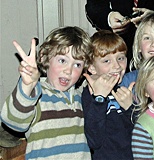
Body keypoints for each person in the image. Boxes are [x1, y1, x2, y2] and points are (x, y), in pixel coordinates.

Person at [0, 26, 92, 159]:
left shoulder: (80, 97)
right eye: (62, 60)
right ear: (44, 58)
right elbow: (13, 121)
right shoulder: (38, 94)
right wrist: (27, 86)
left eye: (77, 64)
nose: (69, 70)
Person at [82, 30, 135, 160]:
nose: (117, 66)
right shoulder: (89, 95)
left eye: (121, 58)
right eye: (106, 61)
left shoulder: (125, 91)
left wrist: (131, 109)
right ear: (92, 67)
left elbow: (144, 134)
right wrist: (99, 99)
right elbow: (94, 141)